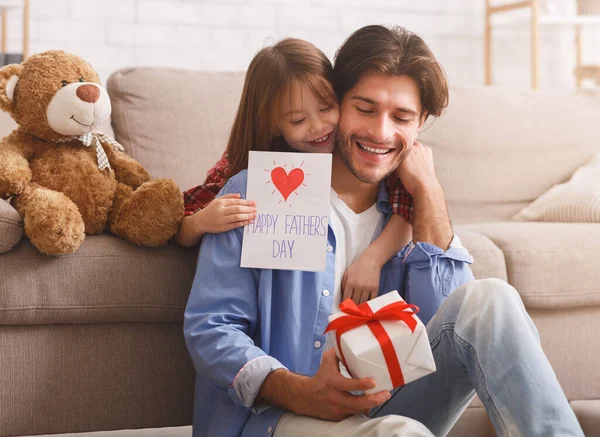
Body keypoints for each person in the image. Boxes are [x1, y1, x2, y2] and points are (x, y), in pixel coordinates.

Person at [184, 25, 584, 437]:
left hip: (389, 408)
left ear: (421, 124)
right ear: (336, 101)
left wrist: (428, 190)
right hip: (277, 418)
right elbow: (212, 328)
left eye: (402, 117)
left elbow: (447, 331)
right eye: (365, 108)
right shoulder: (260, 191)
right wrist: (301, 392)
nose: (380, 133)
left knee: (491, 299)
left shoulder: (405, 209)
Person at [175, 37, 414, 305]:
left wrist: (373, 258)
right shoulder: (245, 174)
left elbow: (409, 207)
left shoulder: (362, 150)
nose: (318, 126)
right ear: (273, 125)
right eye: (298, 120)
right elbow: (178, 221)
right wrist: (198, 223)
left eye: (326, 108)